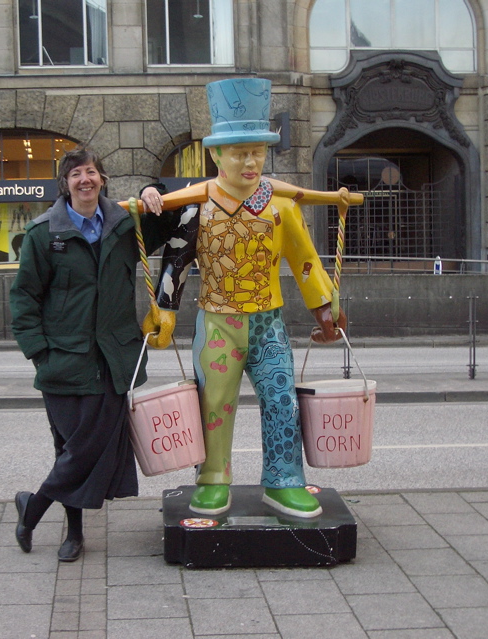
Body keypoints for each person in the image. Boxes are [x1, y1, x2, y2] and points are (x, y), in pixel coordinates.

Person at [149, 78, 349, 519]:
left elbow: (306, 262)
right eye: (240, 152)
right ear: (216, 154)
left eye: (257, 151)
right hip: (217, 322)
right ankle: (213, 477)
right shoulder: (195, 206)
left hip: (268, 324)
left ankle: (283, 479)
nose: (250, 160)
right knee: (214, 403)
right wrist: (163, 311)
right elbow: (176, 263)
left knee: (281, 398)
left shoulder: (281, 207)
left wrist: (325, 307)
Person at [9, 147, 176, 561]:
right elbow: (24, 299)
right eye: (76, 174)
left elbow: (172, 222)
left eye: (92, 173)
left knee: (84, 448)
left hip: (111, 359)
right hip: (62, 360)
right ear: (64, 184)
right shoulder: (43, 234)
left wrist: (153, 191)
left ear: (102, 179)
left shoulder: (125, 224)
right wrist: (39, 354)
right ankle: (74, 533)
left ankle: (33, 507)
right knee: (69, 448)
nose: (85, 180)